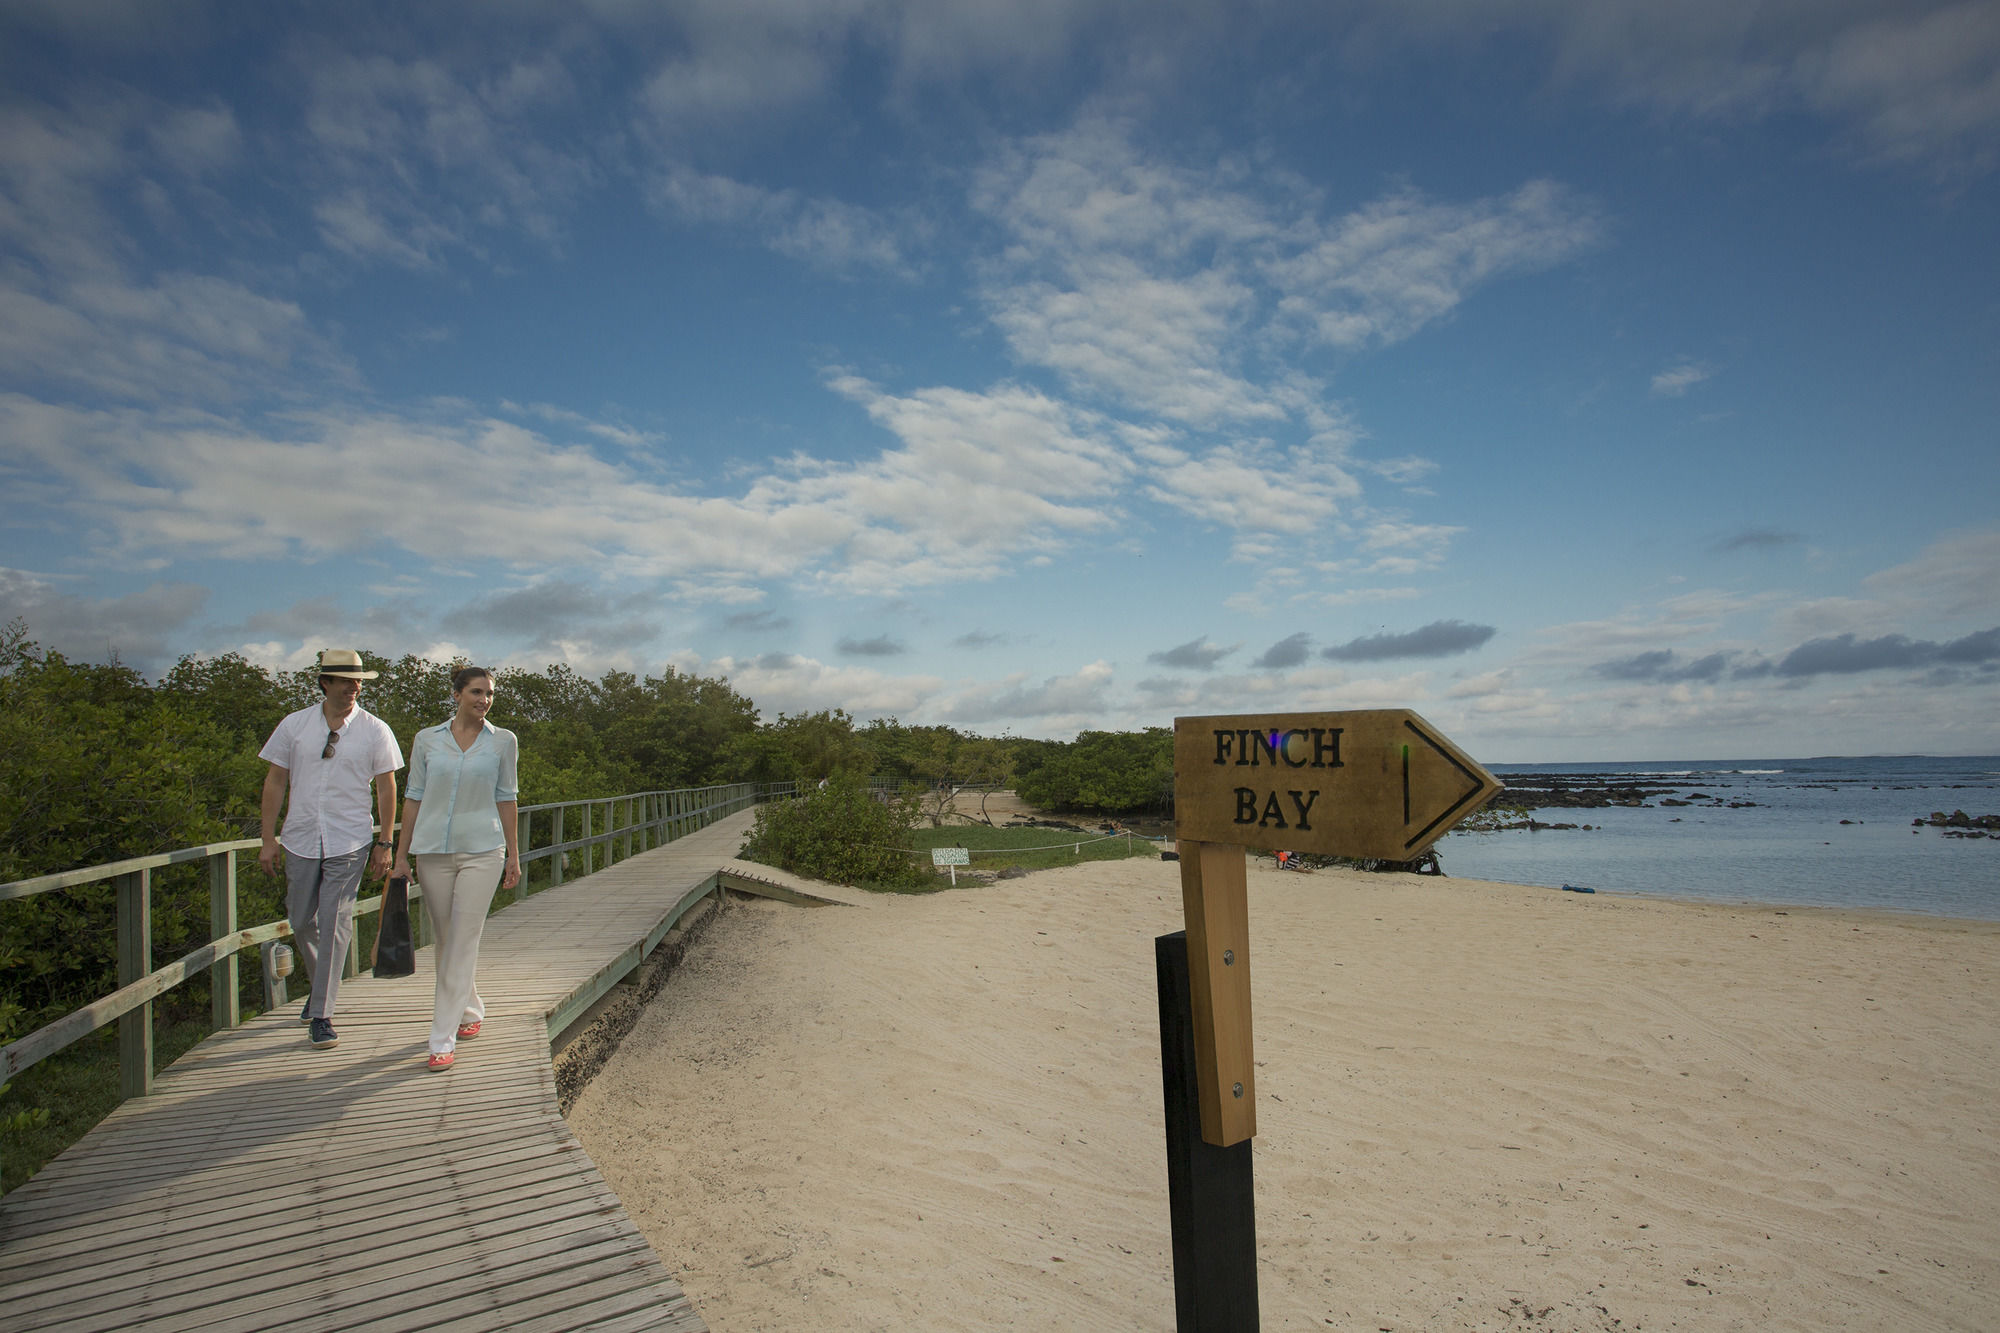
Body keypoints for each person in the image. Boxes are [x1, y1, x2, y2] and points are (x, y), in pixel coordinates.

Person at [259, 648, 403, 1050]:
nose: (353, 688)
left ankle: (322, 1013)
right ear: (326, 683)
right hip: (301, 837)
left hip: (350, 840)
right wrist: (268, 838)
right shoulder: (295, 725)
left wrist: (385, 841)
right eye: (345, 681)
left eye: (358, 682)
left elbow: (387, 786)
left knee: (336, 919)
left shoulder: (375, 730)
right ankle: (322, 988)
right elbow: (275, 781)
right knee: (301, 919)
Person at [390, 666, 521, 1071]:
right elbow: (412, 798)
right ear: (457, 695)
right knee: (447, 939)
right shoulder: (426, 740)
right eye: (477, 692)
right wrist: (400, 856)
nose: (484, 699)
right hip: (432, 852)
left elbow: (507, 799)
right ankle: (471, 1009)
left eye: (490, 694)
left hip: (483, 850)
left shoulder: (503, 742)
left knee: (463, 938)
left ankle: (440, 1038)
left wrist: (513, 855)